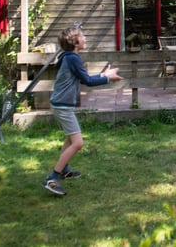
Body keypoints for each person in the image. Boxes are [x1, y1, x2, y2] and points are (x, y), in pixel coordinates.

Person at [43, 26, 123, 196]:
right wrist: (107, 78)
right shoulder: (72, 58)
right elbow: (87, 81)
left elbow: (84, 78)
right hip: (62, 106)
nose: (85, 38)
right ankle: (52, 178)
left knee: (70, 139)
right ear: (75, 42)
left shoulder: (67, 57)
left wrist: (104, 75)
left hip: (60, 104)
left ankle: (64, 170)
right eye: (82, 36)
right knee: (78, 143)